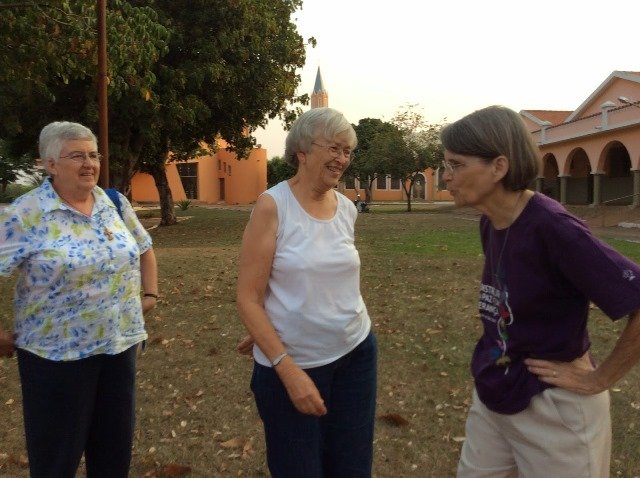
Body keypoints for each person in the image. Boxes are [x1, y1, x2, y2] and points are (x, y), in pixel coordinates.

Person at [440, 105, 640, 478]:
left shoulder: (556, 228)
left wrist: (601, 379)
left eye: (456, 165)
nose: (445, 178)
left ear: (498, 168)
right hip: (495, 390)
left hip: (554, 407)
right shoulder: (491, 222)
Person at [0, 121, 158, 477]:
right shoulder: (25, 213)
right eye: (76, 156)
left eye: (93, 155)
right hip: (55, 358)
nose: (89, 164)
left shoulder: (112, 202)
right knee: (56, 460)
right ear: (50, 164)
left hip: (118, 347)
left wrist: (150, 294)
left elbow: (144, 248)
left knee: (113, 456)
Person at [236, 107, 377, 477]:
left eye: (347, 151)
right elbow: (247, 297)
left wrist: (276, 317)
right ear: (302, 151)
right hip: (294, 364)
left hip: (355, 354)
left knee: (352, 467)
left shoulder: (347, 209)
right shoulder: (273, 206)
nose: (342, 159)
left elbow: (326, 280)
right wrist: (285, 366)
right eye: (333, 148)